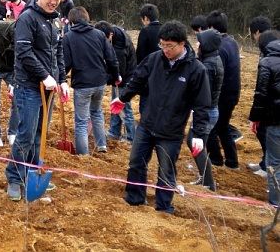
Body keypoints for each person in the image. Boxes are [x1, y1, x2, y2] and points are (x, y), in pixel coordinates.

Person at [112, 21, 211, 214]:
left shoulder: (196, 70)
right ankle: (135, 197)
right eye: (162, 45)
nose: (165, 50)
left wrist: (199, 134)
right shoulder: (154, 59)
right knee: (136, 161)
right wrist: (123, 98)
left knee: (166, 170)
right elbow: (137, 80)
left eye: (170, 46)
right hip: (147, 124)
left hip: (171, 131)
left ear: (182, 44)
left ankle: (164, 207)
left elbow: (202, 105)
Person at [5, 0, 69, 201]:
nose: (54, 2)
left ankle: (32, 173)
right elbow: (24, 52)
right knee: (26, 134)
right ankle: (15, 177)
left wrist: (62, 79)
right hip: (29, 86)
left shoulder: (56, 20)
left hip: (49, 87)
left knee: (40, 133)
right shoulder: (27, 18)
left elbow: (58, 51)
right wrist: (44, 75)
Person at [63, 7, 120, 154]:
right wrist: (115, 76)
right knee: (97, 112)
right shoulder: (99, 34)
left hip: (82, 84)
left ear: (72, 22)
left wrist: (60, 78)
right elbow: (111, 58)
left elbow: (66, 63)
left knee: (81, 121)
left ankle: (83, 154)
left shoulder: (69, 37)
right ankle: (101, 145)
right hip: (100, 82)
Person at [187, 29, 223, 191]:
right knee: (195, 142)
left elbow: (201, 91)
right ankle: (204, 178)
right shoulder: (212, 60)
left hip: (207, 112)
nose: (197, 44)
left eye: (199, 42)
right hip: (210, 110)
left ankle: (208, 183)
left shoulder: (208, 66)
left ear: (206, 45)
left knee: (197, 145)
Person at [205, 10, 241, 170]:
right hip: (233, 93)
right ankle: (232, 162)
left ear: (212, 28)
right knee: (223, 126)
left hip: (222, 96)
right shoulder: (232, 42)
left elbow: (218, 75)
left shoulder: (218, 47)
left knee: (212, 128)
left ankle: (216, 160)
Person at [248, 30, 280, 205]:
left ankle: (275, 203)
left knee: (274, 162)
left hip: (275, 119)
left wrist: (255, 118)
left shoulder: (267, 62)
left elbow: (260, 94)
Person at [95, 21, 137, 144]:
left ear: (111, 34)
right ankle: (114, 131)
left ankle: (130, 136)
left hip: (125, 79)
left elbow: (119, 71)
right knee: (115, 104)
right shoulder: (116, 37)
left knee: (124, 107)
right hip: (120, 78)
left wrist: (105, 79)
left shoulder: (119, 48)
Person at [247, 16, 273, 176]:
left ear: (257, 32)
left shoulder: (268, 52)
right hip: (268, 100)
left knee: (264, 132)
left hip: (270, 103)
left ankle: (267, 167)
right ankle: (264, 162)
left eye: (253, 34)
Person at [135, 3, 162, 114]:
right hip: (164, 74)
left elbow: (140, 54)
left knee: (145, 106)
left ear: (145, 18)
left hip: (148, 74)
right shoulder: (165, 29)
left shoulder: (145, 31)